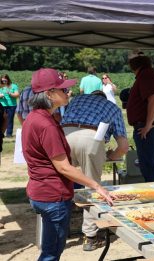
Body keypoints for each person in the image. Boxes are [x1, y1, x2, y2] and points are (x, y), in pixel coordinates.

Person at [21, 68, 114, 260]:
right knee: (51, 254)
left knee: (50, 251)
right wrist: (97, 185)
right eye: (62, 90)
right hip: (53, 196)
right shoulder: (46, 124)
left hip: (41, 191)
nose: (67, 92)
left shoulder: (35, 118)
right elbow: (62, 167)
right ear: (49, 94)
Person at [61, 90, 129, 251]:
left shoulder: (77, 100)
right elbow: (123, 147)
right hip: (91, 138)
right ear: (104, 99)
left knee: (61, 181)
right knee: (92, 186)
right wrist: (111, 155)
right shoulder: (112, 107)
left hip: (63, 136)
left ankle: (58, 232)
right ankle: (90, 237)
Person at [126, 54, 154, 182]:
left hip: (147, 127)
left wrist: (148, 125)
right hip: (147, 126)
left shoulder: (146, 75)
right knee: (148, 163)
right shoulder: (148, 74)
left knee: (148, 165)